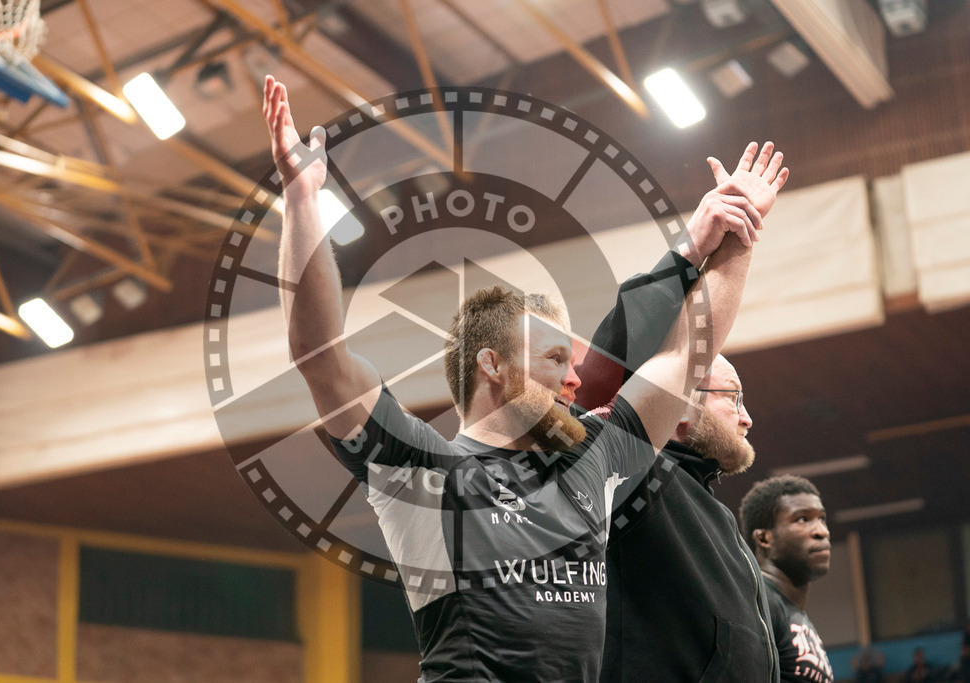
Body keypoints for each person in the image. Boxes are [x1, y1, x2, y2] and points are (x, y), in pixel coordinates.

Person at [263, 74, 788, 681]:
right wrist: (302, 202)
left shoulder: (592, 462)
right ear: (492, 365)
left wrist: (735, 236)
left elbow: (685, 358)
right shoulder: (423, 470)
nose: (574, 382)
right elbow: (319, 353)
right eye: (553, 362)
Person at [593, 350, 778, 681]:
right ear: (678, 404)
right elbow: (625, 344)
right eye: (734, 397)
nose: (746, 417)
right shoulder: (638, 477)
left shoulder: (715, 512)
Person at [741, 475, 834, 682]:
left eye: (822, 519)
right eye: (803, 519)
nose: (821, 531)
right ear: (764, 538)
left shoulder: (791, 612)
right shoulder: (756, 603)